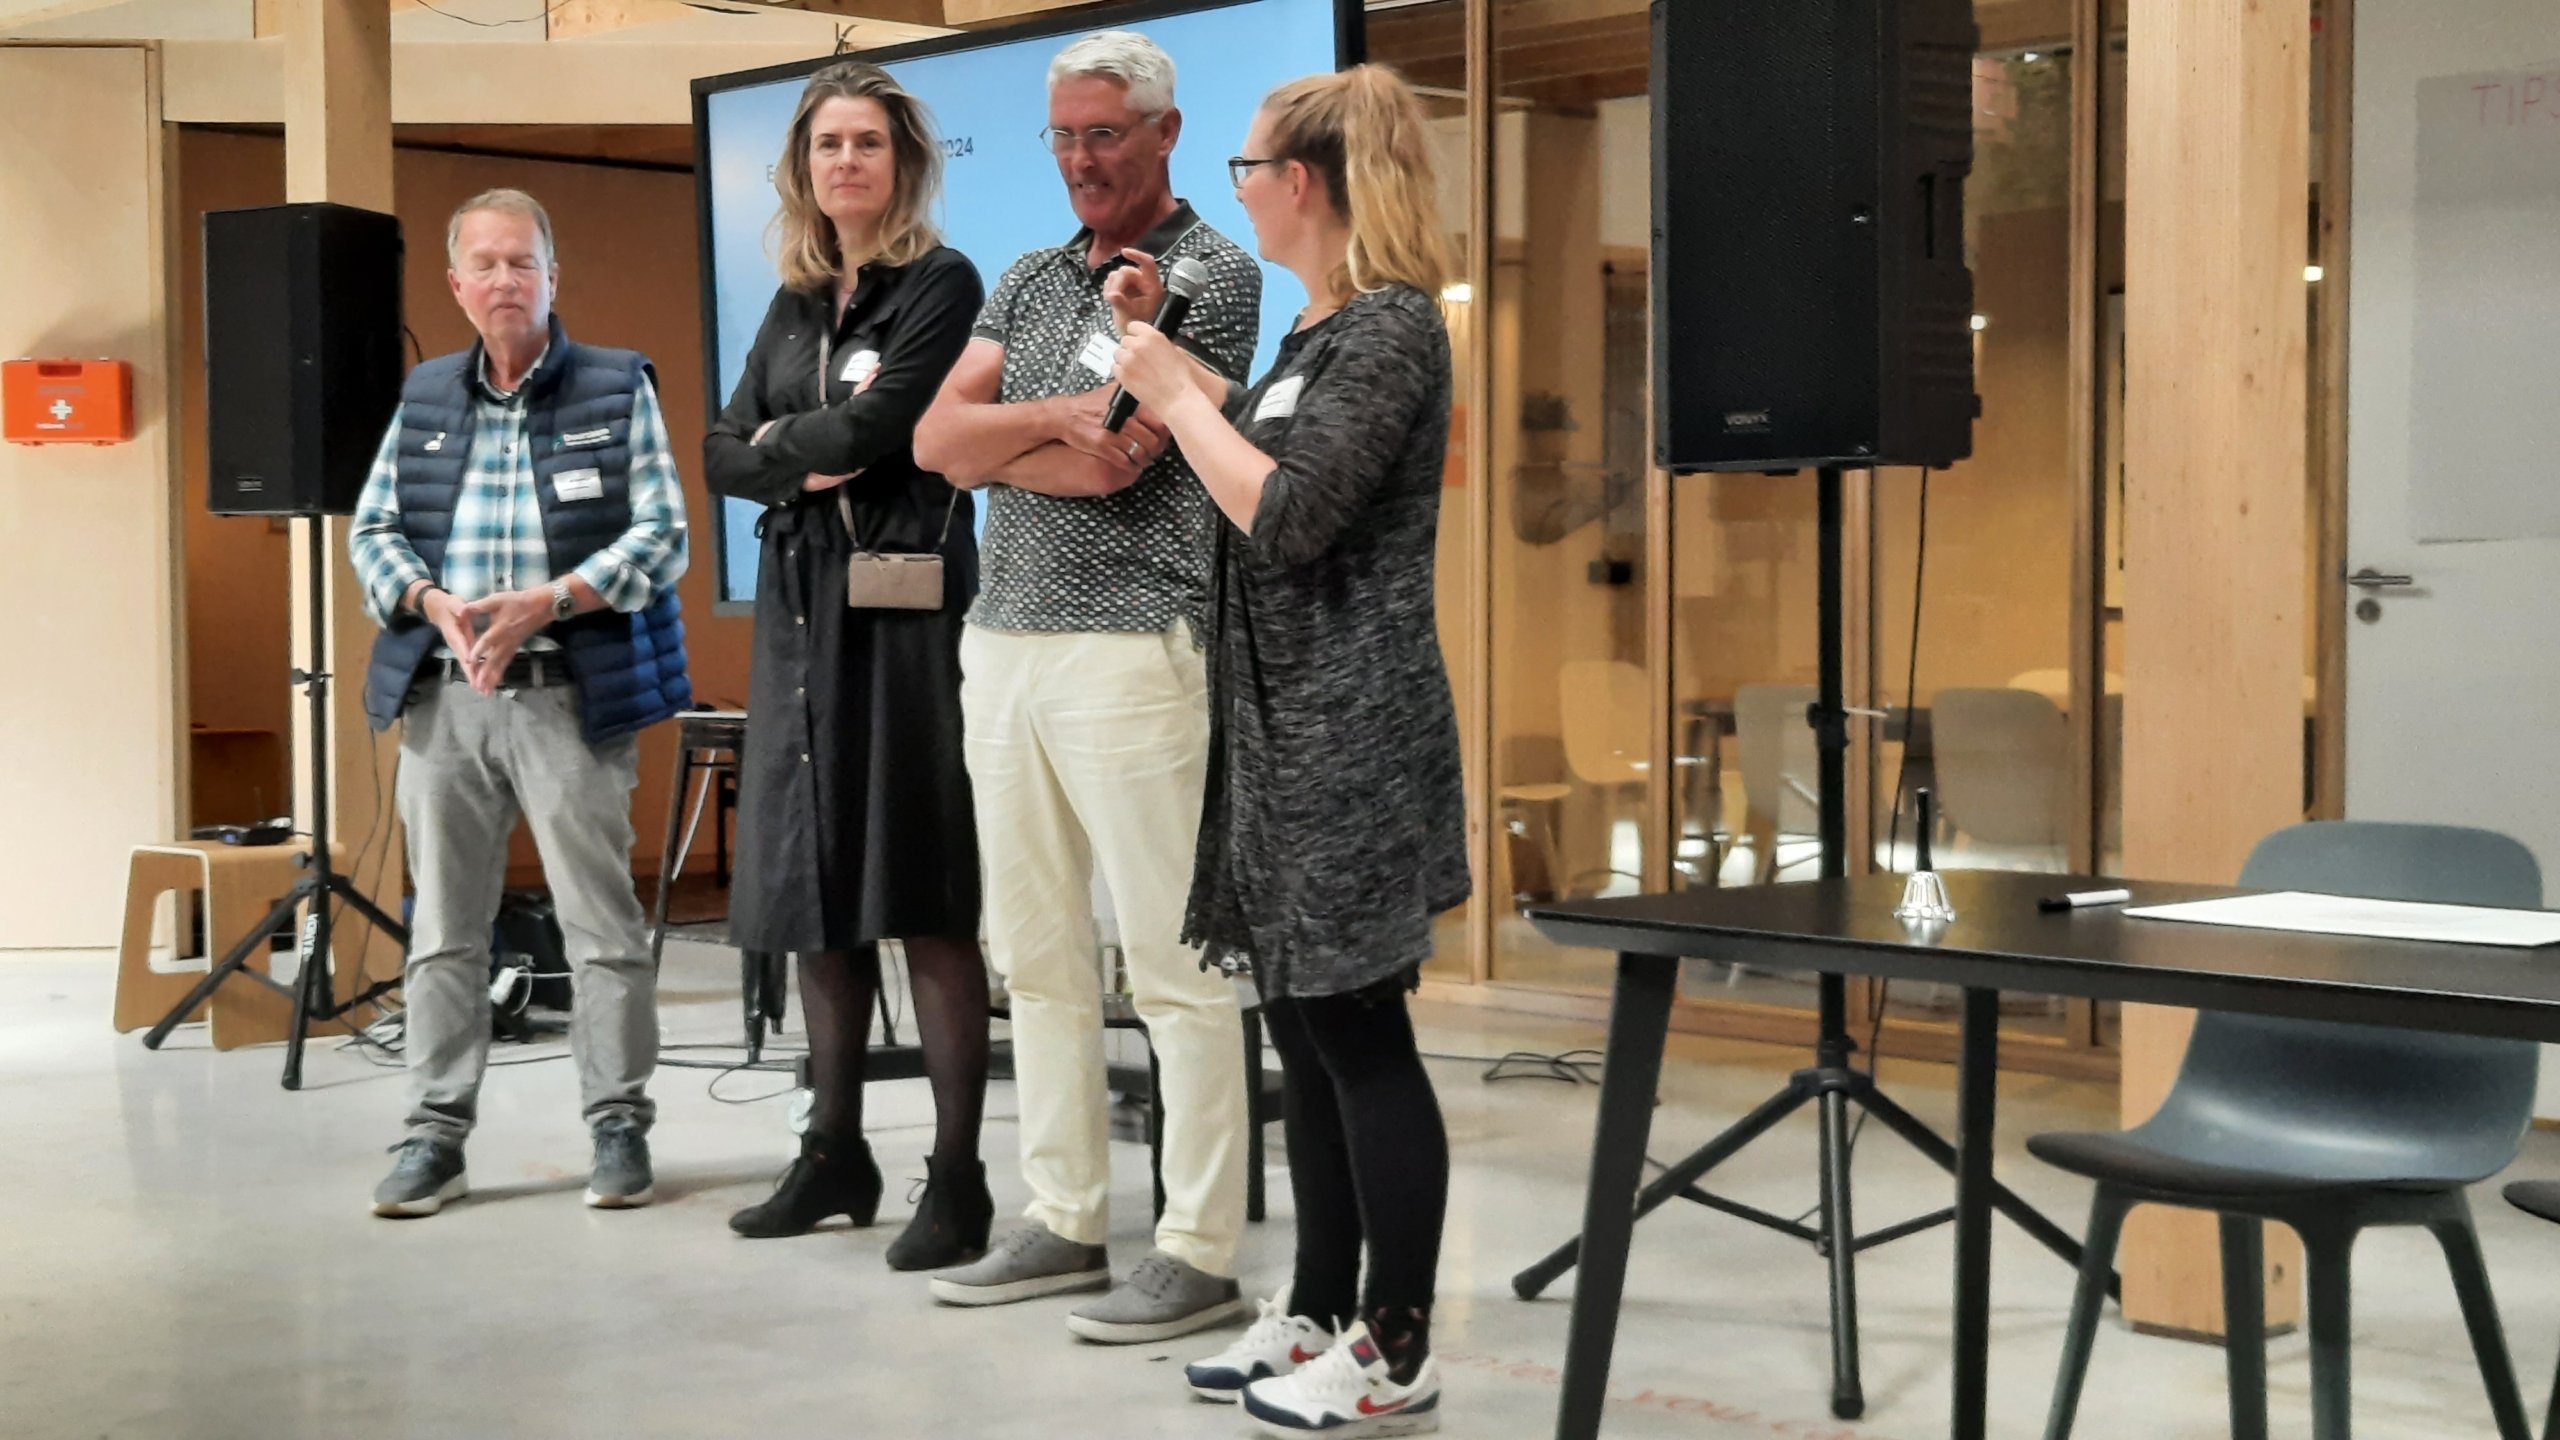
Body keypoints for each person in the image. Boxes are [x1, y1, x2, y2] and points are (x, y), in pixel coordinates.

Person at [1107, 65, 1466, 1434]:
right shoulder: (1319, 331)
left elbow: (1294, 512)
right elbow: (1271, 443)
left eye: (1248, 169)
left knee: (1359, 1033)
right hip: (1278, 730)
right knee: (1307, 1034)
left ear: (1299, 183)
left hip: (1351, 732)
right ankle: (1317, 1310)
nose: (1239, 190)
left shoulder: (1392, 328)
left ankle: (1398, 1344)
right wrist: (1179, 365)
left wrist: (1174, 394)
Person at [910, 29, 1264, 1343]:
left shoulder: (1209, 275)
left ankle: (1198, 1248)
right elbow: (934, 441)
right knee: (1035, 955)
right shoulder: (1026, 274)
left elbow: (1121, 461)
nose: (1078, 158)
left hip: (1135, 647)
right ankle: (1061, 1220)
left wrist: (1020, 436)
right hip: (1003, 643)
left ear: (1166, 132)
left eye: (1102, 133)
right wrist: (1049, 421)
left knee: (1171, 963)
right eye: (1062, 135)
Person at [702, 62, 994, 1271]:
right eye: (828, 144)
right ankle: (834, 1153)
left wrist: (786, 446)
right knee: (812, 889)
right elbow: (719, 452)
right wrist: (792, 452)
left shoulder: (943, 283)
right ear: (803, 168)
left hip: (904, 608)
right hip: (798, 612)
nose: (846, 162)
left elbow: (886, 430)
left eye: (867, 142)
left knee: (920, 887)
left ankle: (958, 1180)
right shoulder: (791, 300)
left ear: (904, 162)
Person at [350, 188, 691, 1219]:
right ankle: (433, 1136)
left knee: (601, 928)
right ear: (456, 285)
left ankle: (618, 1126)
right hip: (446, 700)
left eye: (522, 262)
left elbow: (662, 536)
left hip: (567, 696)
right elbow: (373, 532)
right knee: (444, 931)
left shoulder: (616, 384)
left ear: (552, 277)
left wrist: (551, 599)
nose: (505, 280)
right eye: (486, 264)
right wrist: (431, 602)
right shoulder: (423, 395)